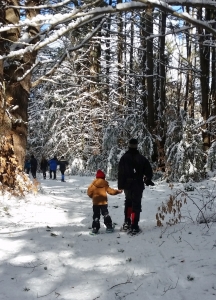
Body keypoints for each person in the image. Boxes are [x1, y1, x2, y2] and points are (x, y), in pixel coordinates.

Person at [118, 138, 154, 234]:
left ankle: (127, 223)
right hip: (138, 184)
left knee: (128, 203)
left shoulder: (124, 158)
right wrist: (147, 179)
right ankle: (134, 226)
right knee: (136, 204)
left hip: (127, 185)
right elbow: (149, 171)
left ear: (129, 145)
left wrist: (120, 186)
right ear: (137, 146)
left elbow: (120, 173)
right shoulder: (142, 158)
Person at [87, 169, 122, 234]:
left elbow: (89, 192)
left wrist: (93, 197)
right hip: (103, 203)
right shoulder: (105, 184)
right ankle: (109, 227)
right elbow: (111, 191)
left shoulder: (92, 184)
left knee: (96, 215)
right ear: (103, 177)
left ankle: (95, 228)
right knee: (105, 214)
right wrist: (117, 191)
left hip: (96, 203)